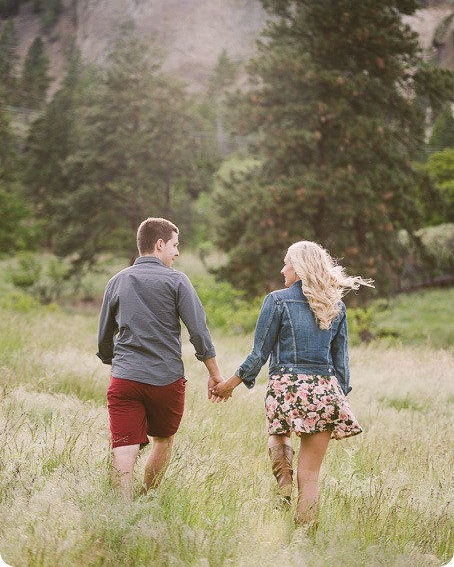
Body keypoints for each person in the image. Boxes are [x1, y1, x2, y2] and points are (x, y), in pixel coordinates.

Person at [212, 240, 373, 525]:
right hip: (325, 391)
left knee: (278, 433)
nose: (282, 268)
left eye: (286, 262)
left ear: (297, 268)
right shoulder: (335, 305)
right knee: (310, 477)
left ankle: (283, 481)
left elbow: (258, 354)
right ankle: (303, 539)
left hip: (286, 387)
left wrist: (228, 384)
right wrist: (335, 400)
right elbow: (342, 368)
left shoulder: (276, 300)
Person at [97, 217, 224, 499]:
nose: (177, 252)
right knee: (164, 440)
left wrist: (118, 363)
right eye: (175, 245)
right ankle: (144, 498)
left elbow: (104, 339)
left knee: (123, 445)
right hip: (165, 380)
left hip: (125, 378)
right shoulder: (178, 281)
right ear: (159, 244)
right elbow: (199, 332)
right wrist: (215, 374)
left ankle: (121, 508)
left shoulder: (117, 281)